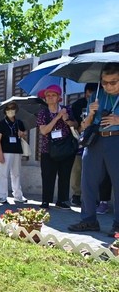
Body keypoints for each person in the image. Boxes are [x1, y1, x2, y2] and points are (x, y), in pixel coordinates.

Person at [69, 63, 119, 235]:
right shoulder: (97, 95)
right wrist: (90, 114)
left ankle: (118, 225)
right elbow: (84, 126)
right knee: (87, 182)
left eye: (113, 82)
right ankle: (88, 220)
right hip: (95, 141)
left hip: (116, 140)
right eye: (104, 82)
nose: (108, 86)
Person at [36, 84, 78, 209]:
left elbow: (76, 125)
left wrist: (67, 119)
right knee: (47, 175)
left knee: (65, 175)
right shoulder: (43, 113)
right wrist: (58, 117)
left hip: (66, 148)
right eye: (48, 95)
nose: (50, 97)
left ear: (59, 97)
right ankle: (46, 200)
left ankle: (62, 200)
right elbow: (44, 131)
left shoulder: (67, 109)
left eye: (53, 95)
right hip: (48, 149)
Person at [69, 83, 98, 206]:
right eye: (88, 95)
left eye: (93, 95)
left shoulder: (102, 103)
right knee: (77, 168)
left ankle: (94, 196)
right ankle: (76, 194)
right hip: (80, 139)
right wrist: (80, 127)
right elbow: (74, 125)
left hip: (98, 139)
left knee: (95, 170)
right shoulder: (77, 105)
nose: (90, 97)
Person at [0, 102, 27, 204]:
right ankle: (2, 196)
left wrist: (22, 134)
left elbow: (24, 134)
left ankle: (18, 195)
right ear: (5, 111)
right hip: (5, 151)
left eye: (12, 109)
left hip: (17, 150)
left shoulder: (19, 122)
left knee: (16, 174)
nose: (10, 111)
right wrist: (0, 154)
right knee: (3, 174)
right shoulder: (2, 123)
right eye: (8, 109)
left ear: (16, 110)